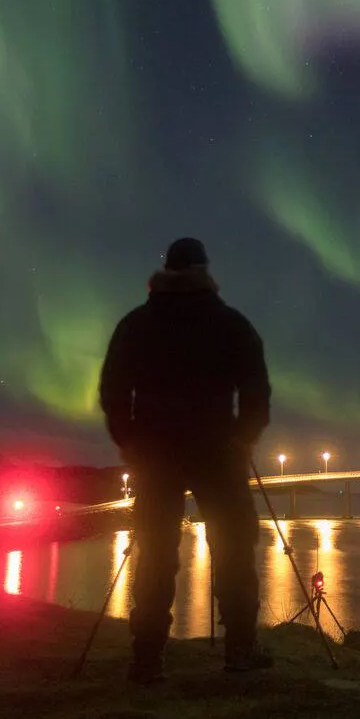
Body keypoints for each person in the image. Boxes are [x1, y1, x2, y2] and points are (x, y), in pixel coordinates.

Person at [98, 236, 274, 682]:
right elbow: (257, 390)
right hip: (219, 452)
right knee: (234, 547)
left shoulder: (135, 325)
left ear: (166, 272)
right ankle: (240, 648)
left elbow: (113, 390)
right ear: (204, 270)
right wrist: (243, 438)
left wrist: (130, 442)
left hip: (155, 454)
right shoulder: (231, 324)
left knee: (156, 550)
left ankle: (147, 655)